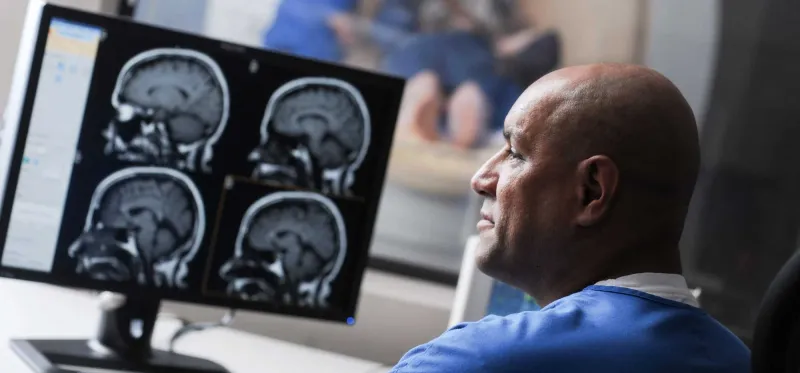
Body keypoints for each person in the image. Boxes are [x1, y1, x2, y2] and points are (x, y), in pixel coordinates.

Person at [389, 64, 751, 372]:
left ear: (592, 191)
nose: (481, 179)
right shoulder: (743, 361)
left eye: (515, 153)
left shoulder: (475, 360)